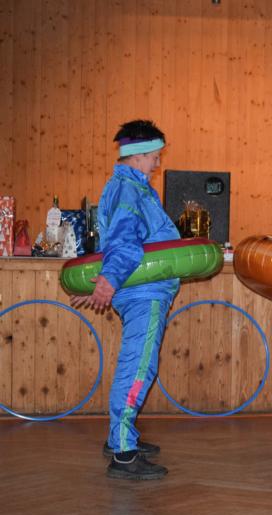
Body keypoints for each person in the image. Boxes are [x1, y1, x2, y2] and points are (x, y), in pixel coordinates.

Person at [70, 120, 178, 480]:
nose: (158, 163)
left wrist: (110, 280)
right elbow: (124, 241)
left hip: (146, 291)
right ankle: (124, 455)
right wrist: (109, 280)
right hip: (144, 293)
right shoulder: (129, 190)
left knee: (137, 363)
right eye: (155, 156)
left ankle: (120, 438)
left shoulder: (134, 187)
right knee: (138, 368)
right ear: (138, 155)